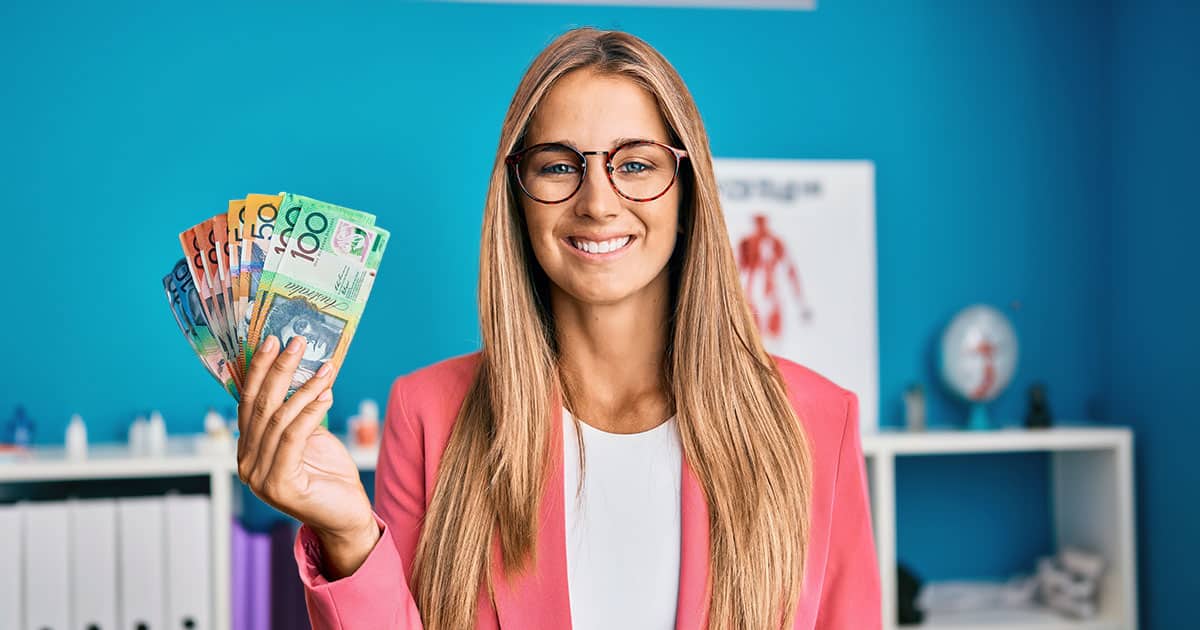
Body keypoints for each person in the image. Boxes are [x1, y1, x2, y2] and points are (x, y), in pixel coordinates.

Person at [236, 27, 881, 630]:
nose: (598, 201)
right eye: (557, 165)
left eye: (635, 164)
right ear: (517, 199)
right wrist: (350, 537)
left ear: (687, 193)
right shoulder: (430, 413)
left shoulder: (820, 422)